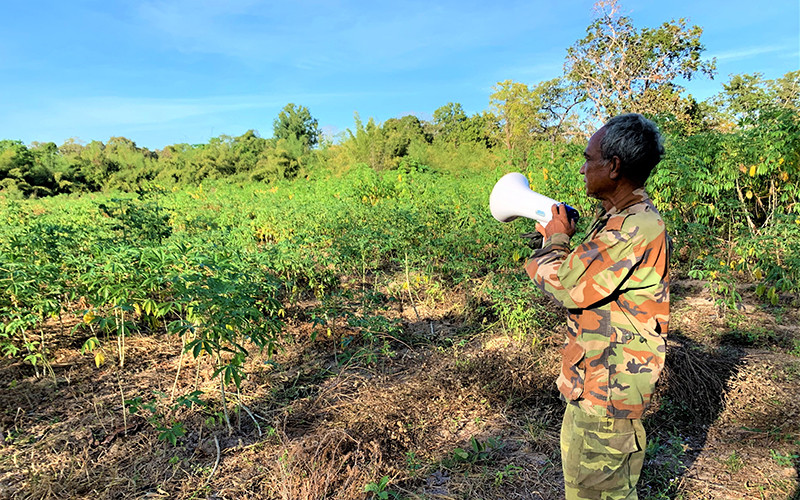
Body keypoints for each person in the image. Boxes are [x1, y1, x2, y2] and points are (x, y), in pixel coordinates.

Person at [525, 113, 671, 500]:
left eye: (589, 159)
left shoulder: (632, 226)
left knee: (601, 493)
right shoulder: (615, 220)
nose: (583, 167)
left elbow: (568, 286)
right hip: (593, 384)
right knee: (583, 488)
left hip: (609, 392)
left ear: (614, 166)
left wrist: (554, 242)